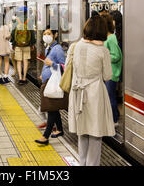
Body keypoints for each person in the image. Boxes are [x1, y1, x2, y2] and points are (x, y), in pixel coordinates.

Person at [68, 15, 115, 166]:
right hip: (95, 94)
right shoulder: (103, 51)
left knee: (82, 131)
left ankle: (82, 163)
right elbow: (108, 76)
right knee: (95, 133)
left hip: (78, 92)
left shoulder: (76, 46)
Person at [34, 27, 66, 145]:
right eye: (44, 34)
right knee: (53, 108)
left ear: (55, 35)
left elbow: (64, 67)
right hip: (47, 81)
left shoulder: (57, 49)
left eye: (49, 33)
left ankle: (45, 136)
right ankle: (60, 130)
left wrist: (51, 64)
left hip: (53, 82)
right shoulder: (50, 47)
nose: (46, 36)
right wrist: (44, 74)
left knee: (51, 108)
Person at [101, 15, 123, 126]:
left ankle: (114, 120)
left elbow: (116, 56)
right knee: (109, 96)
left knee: (110, 97)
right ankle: (115, 115)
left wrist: (103, 56)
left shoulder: (111, 39)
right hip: (108, 72)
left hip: (112, 73)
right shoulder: (108, 38)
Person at [11, 9, 36, 85]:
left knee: (19, 61)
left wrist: (13, 44)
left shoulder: (15, 21)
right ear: (26, 13)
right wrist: (32, 44)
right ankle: (24, 77)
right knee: (25, 61)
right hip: (27, 45)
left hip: (18, 45)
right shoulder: (29, 21)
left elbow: (12, 33)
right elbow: (32, 33)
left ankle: (20, 78)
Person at [0, 14, 11, 84]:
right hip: (4, 47)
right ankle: (6, 77)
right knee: (6, 62)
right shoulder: (5, 27)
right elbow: (7, 36)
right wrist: (10, 36)